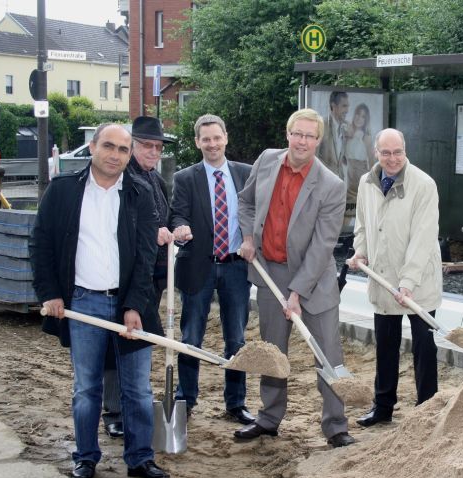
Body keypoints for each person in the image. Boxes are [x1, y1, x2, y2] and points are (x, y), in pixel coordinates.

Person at [30, 123, 169, 478]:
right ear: (92, 147)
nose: (115, 155)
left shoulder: (139, 193)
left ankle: (139, 458)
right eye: (108, 146)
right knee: (87, 388)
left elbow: (146, 256)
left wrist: (135, 305)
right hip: (82, 304)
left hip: (129, 304)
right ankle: (86, 457)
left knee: (137, 388)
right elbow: (41, 244)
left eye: (123, 149)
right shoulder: (63, 191)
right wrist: (50, 293)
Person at [236, 108, 355, 448]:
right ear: (288, 134)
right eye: (297, 134)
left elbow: (322, 246)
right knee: (273, 351)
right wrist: (248, 237)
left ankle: (335, 425)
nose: (302, 141)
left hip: (314, 280)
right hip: (270, 272)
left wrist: (298, 293)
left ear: (318, 141)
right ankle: (269, 417)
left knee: (328, 353)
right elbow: (246, 203)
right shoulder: (266, 161)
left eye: (310, 136)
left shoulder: (331, 185)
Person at [347, 128, 442, 427]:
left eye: (397, 152)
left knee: (424, 347)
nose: (392, 159)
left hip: (418, 281)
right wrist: (360, 252)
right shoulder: (367, 182)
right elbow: (362, 224)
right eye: (386, 153)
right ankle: (383, 407)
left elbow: (423, 237)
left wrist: (408, 282)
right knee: (386, 345)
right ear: (376, 152)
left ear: (405, 150)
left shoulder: (424, 185)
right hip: (383, 277)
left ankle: (427, 408)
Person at [169, 114, 254, 424]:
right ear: (197, 142)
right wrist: (181, 228)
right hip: (198, 267)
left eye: (217, 138)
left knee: (237, 338)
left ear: (225, 138)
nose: (212, 144)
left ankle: (236, 403)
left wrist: (252, 238)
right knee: (191, 336)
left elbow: (255, 213)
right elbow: (177, 214)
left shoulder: (246, 174)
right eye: (206, 139)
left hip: (235, 268)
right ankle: (185, 400)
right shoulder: (185, 178)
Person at [102, 116, 174, 439]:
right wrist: (149, 232)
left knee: (138, 343)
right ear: (132, 146)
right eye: (147, 146)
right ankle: (113, 409)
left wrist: (174, 229)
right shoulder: (122, 179)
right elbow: (114, 227)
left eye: (158, 147)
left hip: (152, 277)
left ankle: (131, 406)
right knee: (117, 342)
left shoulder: (156, 181)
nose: (153, 152)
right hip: (124, 278)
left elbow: (166, 218)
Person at [344, 103, 375, 217]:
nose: (359, 118)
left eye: (363, 116)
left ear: (366, 120)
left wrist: (372, 182)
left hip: (359, 174)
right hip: (347, 173)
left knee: (358, 210)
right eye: (358, 114)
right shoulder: (348, 133)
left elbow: (371, 160)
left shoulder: (366, 137)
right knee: (347, 211)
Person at [317, 91, 349, 180]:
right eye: (344, 106)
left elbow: (341, 160)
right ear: (333, 106)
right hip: (322, 181)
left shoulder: (344, 128)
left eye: (347, 106)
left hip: (338, 182)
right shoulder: (321, 125)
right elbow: (313, 157)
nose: (347, 110)